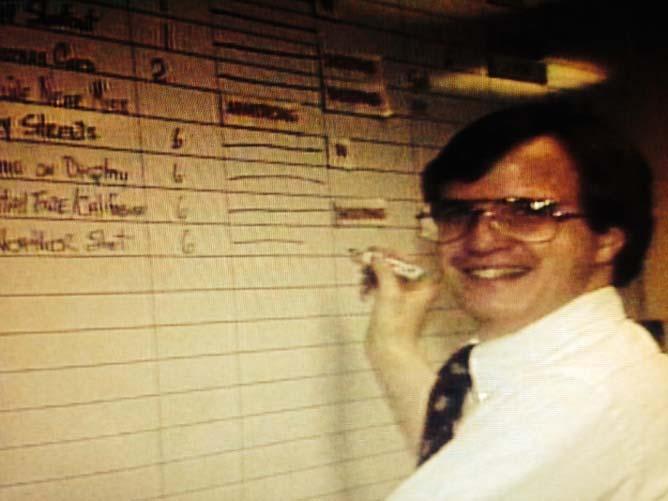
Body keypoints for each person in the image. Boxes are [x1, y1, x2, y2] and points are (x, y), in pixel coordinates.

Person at [365, 100, 668, 500]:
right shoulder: (607, 359)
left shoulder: (576, 397)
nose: (481, 240)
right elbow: (475, 449)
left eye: (527, 212)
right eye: (456, 213)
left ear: (607, 239)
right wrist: (392, 345)